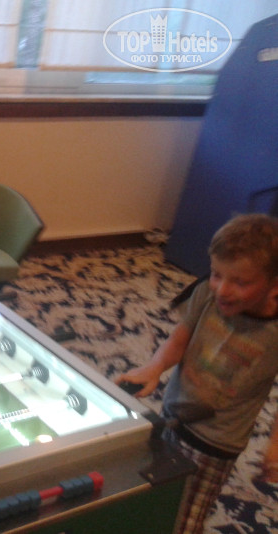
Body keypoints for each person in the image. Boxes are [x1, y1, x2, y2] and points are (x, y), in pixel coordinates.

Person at [116, 213, 278, 534]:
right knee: (156, 491)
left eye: (240, 282)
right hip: (174, 412)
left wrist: (275, 444)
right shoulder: (207, 291)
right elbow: (180, 339)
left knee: (184, 517)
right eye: (217, 274)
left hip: (216, 442)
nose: (223, 290)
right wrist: (155, 366)